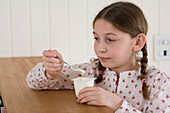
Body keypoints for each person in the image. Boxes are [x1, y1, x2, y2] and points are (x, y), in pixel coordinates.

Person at [26, 1, 170, 112]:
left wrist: (117, 104)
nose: (100, 48)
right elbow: (32, 82)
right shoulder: (91, 71)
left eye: (110, 39)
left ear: (138, 42)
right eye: (96, 38)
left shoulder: (159, 83)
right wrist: (50, 73)